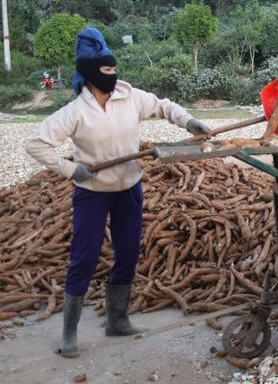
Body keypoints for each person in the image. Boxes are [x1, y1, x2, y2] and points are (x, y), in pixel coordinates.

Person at [25, 28, 211, 358]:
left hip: (128, 189)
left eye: (114, 69)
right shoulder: (75, 112)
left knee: (127, 253)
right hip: (92, 193)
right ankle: (69, 332)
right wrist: (71, 170)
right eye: (105, 70)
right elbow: (35, 143)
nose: (112, 75)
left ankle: (118, 320)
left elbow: (164, 106)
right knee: (84, 258)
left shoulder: (129, 96)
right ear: (89, 73)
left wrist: (188, 121)